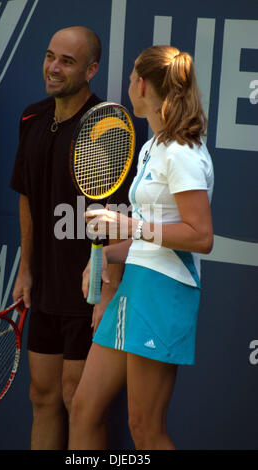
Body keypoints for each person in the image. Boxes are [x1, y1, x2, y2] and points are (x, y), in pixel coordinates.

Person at [68, 45, 214, 450]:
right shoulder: (153, 147)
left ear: (143, 83)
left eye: (132, 75)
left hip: (164, 290)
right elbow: (150, 237)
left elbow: (201, 236)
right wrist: (102, 257)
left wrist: (128, 224)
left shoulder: (182, 152)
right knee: (83, 406)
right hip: (136, 284)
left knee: (145, 429)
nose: (129, 82)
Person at [10, 26, 126, 450]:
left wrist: (106, 285)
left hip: (87, 287)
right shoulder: (31, 117)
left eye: (67, 61)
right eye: (49, 56)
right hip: (43, 288)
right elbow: (26, 196)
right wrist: (26, 269)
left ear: (92, 70)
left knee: (75, 398)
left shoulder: (108, 126)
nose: (53, 68)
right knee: (42, 395)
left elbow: (120, 213)